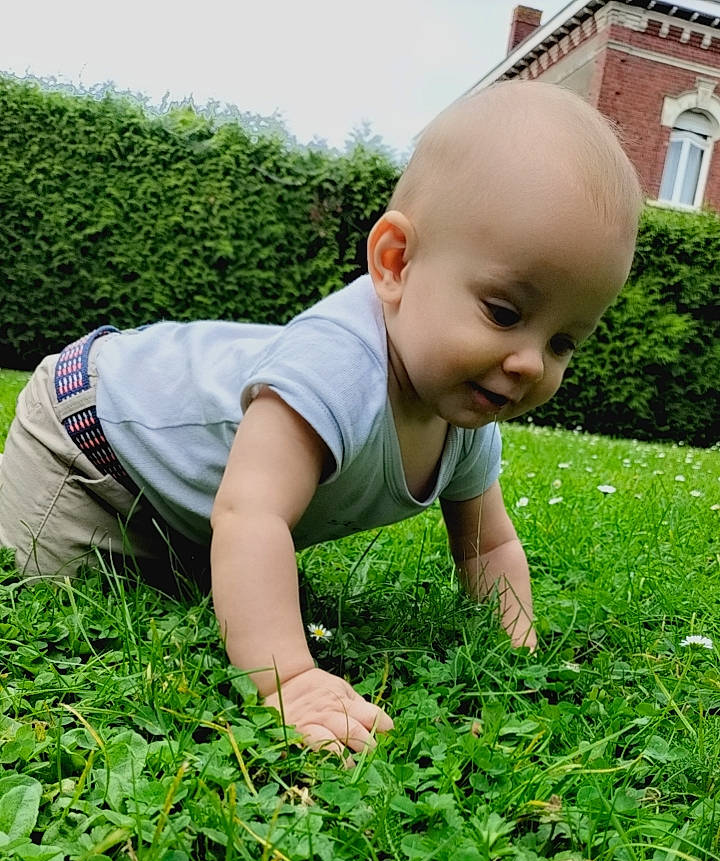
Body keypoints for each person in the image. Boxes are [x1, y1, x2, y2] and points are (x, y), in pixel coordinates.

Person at [0, 81, 642, 755]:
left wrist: (518, 652)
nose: (529, 364)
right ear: (395, 263)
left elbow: (488, 547)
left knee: (197, 583)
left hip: (180, 505)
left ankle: (170, 548)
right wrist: (288, 680)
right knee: (41, 582)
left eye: (563, 342)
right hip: (87, 440)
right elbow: (253, 515)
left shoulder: (467, 420)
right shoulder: (336, 369)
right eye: (505, 314)